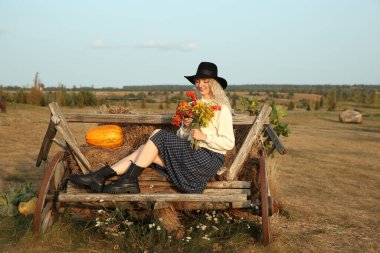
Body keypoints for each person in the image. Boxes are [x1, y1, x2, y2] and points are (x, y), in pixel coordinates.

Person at [70, 62, 235, 194]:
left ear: (213, 84)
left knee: (158, 134)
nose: (200, 85)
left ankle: (129, 180)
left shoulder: (221, 109)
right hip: (190, 155)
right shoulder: (192, 105)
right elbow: (182, 137)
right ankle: (100, 176)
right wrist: (185, 127)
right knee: (144, 149)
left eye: (205, 81)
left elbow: (229, 143)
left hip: (207, 159)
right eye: (198, 81)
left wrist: (205, 137)